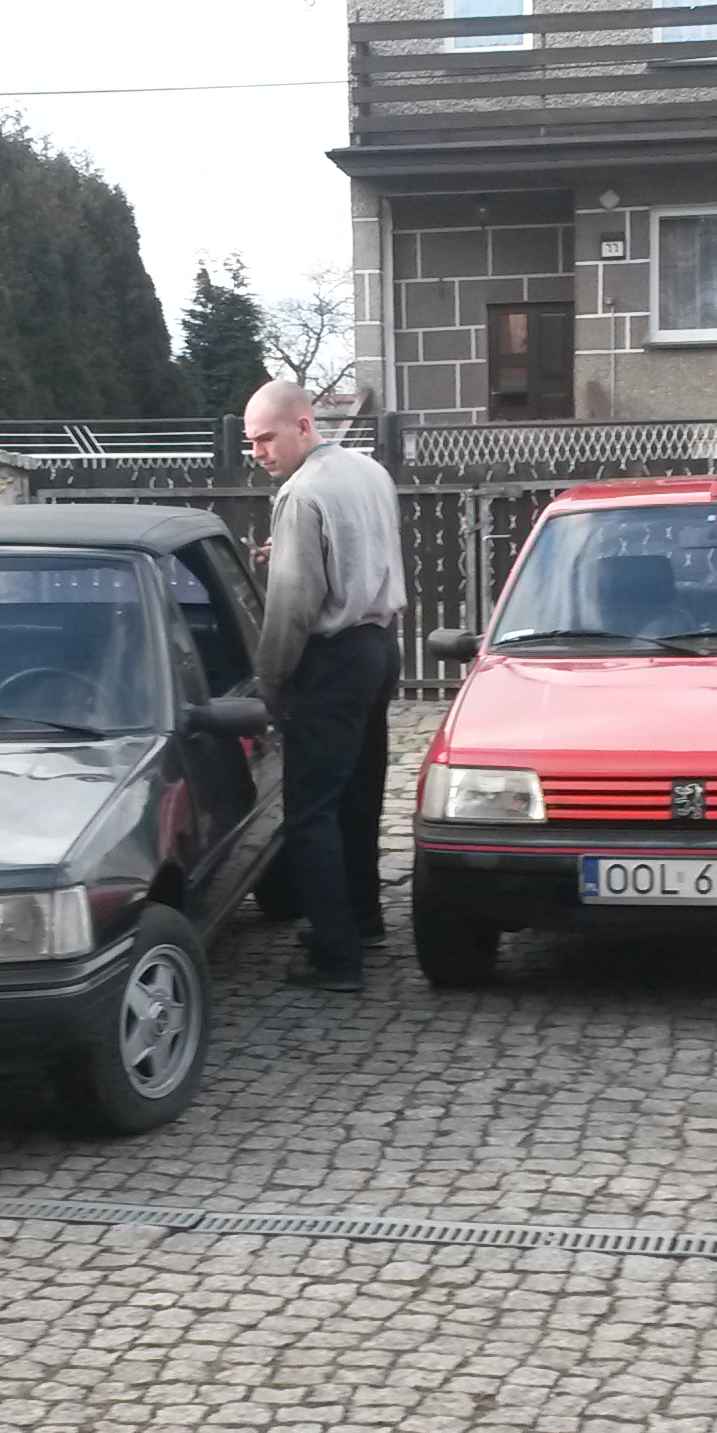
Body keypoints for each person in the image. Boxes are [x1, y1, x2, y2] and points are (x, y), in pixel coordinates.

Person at [245, 379, 403, 992]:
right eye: (251, 441)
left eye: (267, 438)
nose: (258, 452)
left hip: (334, 660)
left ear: (304, 424)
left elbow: (291, 607)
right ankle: (364, 921)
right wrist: (284, 551)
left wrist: (270, 682)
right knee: (361, 794)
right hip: (379, 648)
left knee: (311, 811)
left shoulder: (301, 492)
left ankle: (336, 956)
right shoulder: (368, 472)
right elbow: (355, 551)